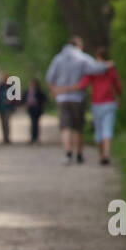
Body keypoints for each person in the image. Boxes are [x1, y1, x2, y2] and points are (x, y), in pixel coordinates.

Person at [44, 36, 113, 164]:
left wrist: (54, 91)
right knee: (78, 128)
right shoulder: (82, 58)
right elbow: (96, 69)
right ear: (79, 46)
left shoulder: (58, 59)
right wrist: (107, 65)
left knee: (65, 127)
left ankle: (68, 153)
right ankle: (79, 154)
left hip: (62, 98)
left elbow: (49, 78)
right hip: (77, 98)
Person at [24, 78, 48, 144]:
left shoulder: (39, 91)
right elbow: (23, 99)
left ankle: (36, 137)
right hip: (30, 108)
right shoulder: (27, 91)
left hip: (37, 109)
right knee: (33, 123)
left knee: (36, 123)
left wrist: (40, 104)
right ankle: (33, 137)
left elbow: (45, 99)